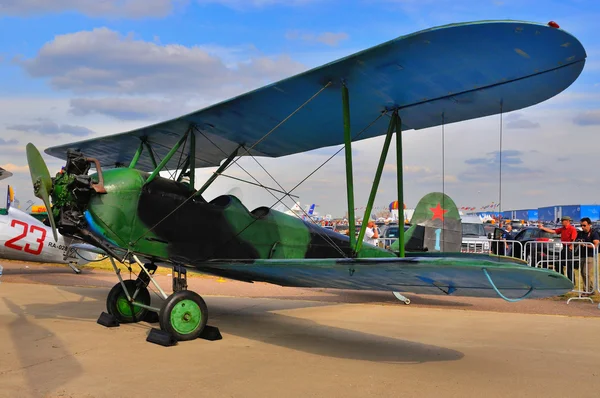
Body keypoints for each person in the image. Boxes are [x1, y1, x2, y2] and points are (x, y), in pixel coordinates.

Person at [576, 218, 599, 294]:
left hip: (590, 255)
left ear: (589, 225)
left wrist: (585, 245)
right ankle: (592, 289)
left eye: (584, 225)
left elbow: (596, 245)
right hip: (582, 255)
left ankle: (587, 291)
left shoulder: (594, 233)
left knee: (585, 273)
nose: (582, 227)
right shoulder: (581, 233)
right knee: (583, 273)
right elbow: (576, 241)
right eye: (581, 225)